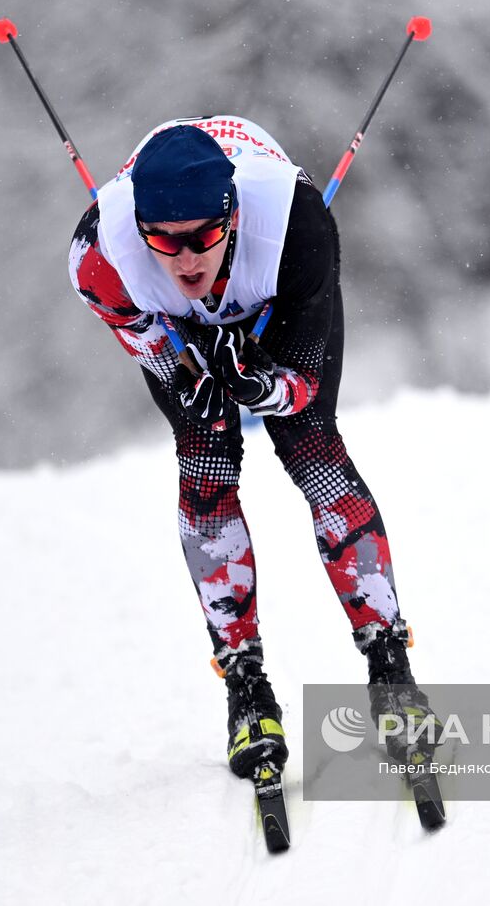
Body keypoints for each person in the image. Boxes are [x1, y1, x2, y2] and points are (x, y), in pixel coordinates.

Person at [68, 115, 430, 779]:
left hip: (276, 297)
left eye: (202, 238)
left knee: (312, 448)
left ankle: (390, 669)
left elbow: (300, 389)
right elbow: (154, 352)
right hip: (177, 329)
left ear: (231, 218)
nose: (185, 259)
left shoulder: (297, 225)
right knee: (204, 462)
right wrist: (188, 372)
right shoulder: (101, 259)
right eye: (164, 242)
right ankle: (245, 687)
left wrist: (262, 381)